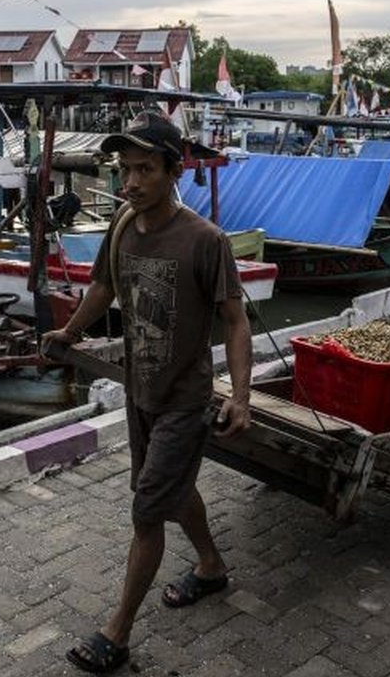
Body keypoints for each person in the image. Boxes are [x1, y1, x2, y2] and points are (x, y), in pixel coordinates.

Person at [42, 111, 253, 673]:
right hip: (140, 392)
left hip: (185, 398)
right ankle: (211, 566)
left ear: (173, 171)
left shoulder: (205, 241)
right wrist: (70, 332)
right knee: (169, 492)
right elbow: (104, 288)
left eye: (144, 170)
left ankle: (117, 633)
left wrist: (241, 397)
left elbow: (235, 322)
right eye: (124, 169)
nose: (130, 182)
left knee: (146, 511)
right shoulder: (122, 225)